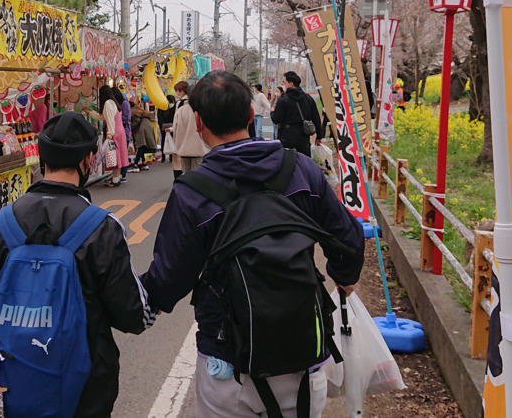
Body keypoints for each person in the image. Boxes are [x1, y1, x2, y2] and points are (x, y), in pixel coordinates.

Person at [142, 71, 365, 418]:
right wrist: (344, 276)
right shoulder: (301, 169)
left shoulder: (192, 192)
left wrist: (142, 303)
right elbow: (348, 238)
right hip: (304, 355)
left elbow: (170, 278)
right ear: (251, 115)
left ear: (199, 123)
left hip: (228, 360)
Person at [0, 112, 156, 417]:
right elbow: (133, 315)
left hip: (10, 386)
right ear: (88, 160)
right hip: (85, 393)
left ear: (42, 158)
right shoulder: (102, 228)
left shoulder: (0, 225)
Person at [271, 71, 323, 155]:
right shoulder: (308, 99)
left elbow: (276, 119)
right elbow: (316, 118)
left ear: (291, 84)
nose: (282, 84)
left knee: (287, 164)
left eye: (284, 82)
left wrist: (272, 112)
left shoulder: (283, 100)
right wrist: (319, 136)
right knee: (304, 163)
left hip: (286, 137)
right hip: (303, 137)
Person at [171, 81, 209, 177]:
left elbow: (175, 129)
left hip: (184, 148)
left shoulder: (181, 109)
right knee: (198, 178)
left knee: (186, 177)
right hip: (199, 148)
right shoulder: (203, 109)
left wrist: (177, 144)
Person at [99, 86, 126, 187]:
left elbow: (109, 120)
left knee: (114, 155)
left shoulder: (107, 103)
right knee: (117, 155)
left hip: (114, 132)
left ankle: (115, 179)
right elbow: (104, 117)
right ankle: (116, 178)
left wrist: (109, 134)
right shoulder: (114, 102)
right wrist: (91, 113)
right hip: (119, 131)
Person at [131, 103, 158, 171]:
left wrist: (130, 127)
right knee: (145, 147)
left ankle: (135, 164)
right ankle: (144, 163)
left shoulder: (135, 113)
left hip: (141, 130)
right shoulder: (143, 113)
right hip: (148, 128)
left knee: (141, 147)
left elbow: (136, 122)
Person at [118, 87, 133, 182]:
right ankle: (119, 174)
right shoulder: (121, 103)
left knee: (123, 153)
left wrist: (117, 119)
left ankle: (123, 174)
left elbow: (127, 118)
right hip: (122, 131)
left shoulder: (124, 103)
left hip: (124, 131)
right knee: (121, 154)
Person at [157, 94, 176, 162]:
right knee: (164, 140)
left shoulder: (175, 107)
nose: (172, 103)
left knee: (171, 140)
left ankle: (171, 155)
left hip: (170, 126)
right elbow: (160, 118)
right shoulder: (162, 108)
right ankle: (164, 155)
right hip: (165, 127)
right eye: (171, 102)